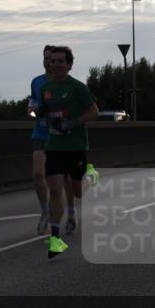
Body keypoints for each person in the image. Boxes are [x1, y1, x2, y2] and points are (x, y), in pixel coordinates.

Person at [38, 45, 100, 258]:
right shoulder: (44, 88)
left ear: (69, 65)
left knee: (76, 192)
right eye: (53, 61)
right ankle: (56, 239)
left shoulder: (77, 88)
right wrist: (40, 113)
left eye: (60, 61)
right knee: (55, 190)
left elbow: (94, 112)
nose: (55, 65)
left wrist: (72, 123)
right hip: (54, 146)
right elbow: (43, 112)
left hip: (75, 146)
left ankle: (91, 176)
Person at [30, 46, 76, 236]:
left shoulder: (67, 83)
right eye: (45, 58)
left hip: (59, 135)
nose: (48, 61)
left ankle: (71, 213)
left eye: (51, 58)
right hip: (41, 132)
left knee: (65, 178)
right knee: (38, 174)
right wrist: (34, 112)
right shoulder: (37, 82)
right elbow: (31, 105)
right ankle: (45, 212)